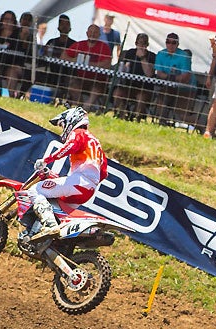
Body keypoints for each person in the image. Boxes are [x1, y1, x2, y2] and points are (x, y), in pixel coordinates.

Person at [27, 107, 108, 240]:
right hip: (88, 189)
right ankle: (54, 242)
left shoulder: (79, 133)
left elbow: (69, 147)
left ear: (71, 120)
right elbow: (104, 173)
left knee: (35, 190)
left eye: (62, 124)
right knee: (56, 208)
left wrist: (46, 160)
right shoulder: (95, 142)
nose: (62, 128)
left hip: (78, 182)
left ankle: (50, 225)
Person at [62, 24, 112, 111]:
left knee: (97, 88)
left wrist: (90, 64)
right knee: (72, 84)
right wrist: (74, 60)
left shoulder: (104, 47)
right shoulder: (80, 44)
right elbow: (63, 56)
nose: (92, 34)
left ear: (99, 35)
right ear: (87, 33)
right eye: (91, 32)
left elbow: (107, 64)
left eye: (95, 32)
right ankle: (79, 106)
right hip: (81, 78)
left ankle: (87, 107)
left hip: (97, 80)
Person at [155, 32, 196, 126]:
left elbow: (185, 77)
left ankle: (202, 122)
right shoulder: (161, 54)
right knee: (164, 93)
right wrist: (171, 77)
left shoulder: (184, 56)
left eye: (173, 43)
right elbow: (159, 73)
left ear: (178, 44)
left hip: (185, 89)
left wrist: (169, 77)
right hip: (166, 88)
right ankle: (162, 121)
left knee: (182, 117)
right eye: (168, 42)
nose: (170, 45)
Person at [114, 33, 156, 121]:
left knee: (141, 98)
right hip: (128, 85)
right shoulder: (130, 53)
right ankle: (120, 116)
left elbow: (149, 73)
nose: (141, 45)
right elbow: (124, 69)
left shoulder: (152, 56)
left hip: (144, 88)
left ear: (147, 45)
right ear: (135, 43)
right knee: (117, 93)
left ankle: (136, 119)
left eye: (144, 43)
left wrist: (142, 58)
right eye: (139, 43)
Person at [40, 15, 76, 95]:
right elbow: (43, 56)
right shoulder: (51, 42)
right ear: (58, 27)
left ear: (70, 28)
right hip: (50, 70)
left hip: (67, 72)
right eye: (62, 24)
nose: (64, 27)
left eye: (67, 24)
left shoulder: (74, 44)